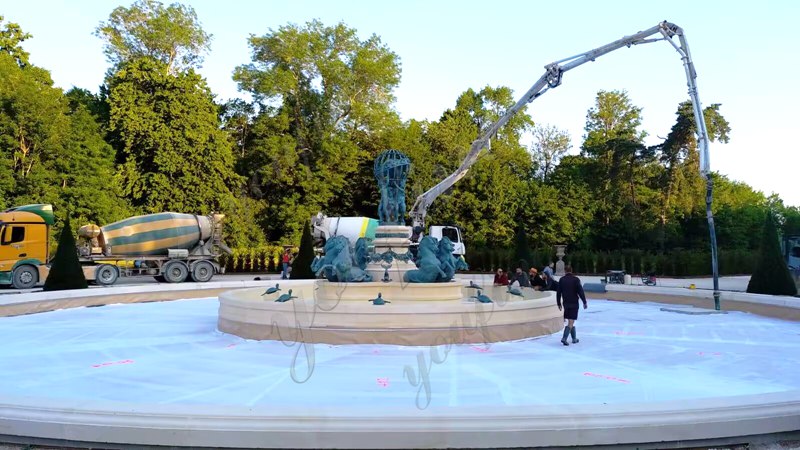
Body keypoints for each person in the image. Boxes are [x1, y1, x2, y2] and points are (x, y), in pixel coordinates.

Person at [556, 265, 587, 346]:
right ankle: (564, 338)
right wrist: (584, 302)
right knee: (571, 321)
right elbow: (580, 292)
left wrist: (558, 303)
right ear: (571, 270)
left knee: (571, 321)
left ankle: (574, 338)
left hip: (566, 303)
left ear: (565, 271)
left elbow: (558, 292)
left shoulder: (562, 280)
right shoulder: (575, 280)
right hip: (574, 303)